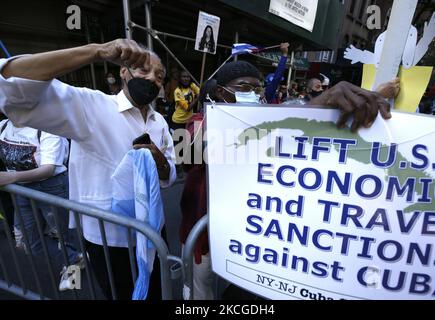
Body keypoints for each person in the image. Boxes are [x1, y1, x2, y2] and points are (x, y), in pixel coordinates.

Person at [179, 59, 391, 300]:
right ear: (220, 92)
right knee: (200, 290)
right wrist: (320, 102)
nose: (254, 95)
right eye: (245, 88)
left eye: (257, 89)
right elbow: (211, 149)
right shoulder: (197, 124)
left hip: (242, 234)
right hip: (201, 234)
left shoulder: (260, 117)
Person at [0, 39, 177, 300]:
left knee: (156, 290)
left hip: (152, 228)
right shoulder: (91, 106)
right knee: (119, 293)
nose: (151, 79)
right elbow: (13, 91)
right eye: (142, 70)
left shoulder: (159, 121)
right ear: (123, 71)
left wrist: (158, 158)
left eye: (159, 76)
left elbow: (169, 176)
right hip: (108, 236)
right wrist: (95, 51)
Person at [0, 119, 82, 290]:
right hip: (22, 191)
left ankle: (74, 280)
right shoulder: (3, 126)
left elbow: (49, 169)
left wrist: (12, 177)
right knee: (27, 243)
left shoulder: (47, 127)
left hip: (52, 187)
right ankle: (75, 258)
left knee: (66, 237)